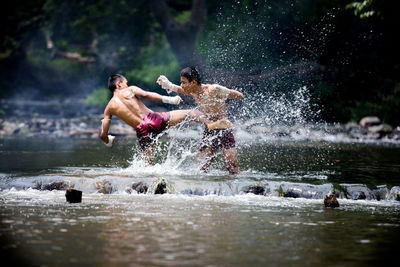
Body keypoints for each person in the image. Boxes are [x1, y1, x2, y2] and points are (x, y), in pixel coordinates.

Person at [100, 74, 230, 163]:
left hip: (142, 131)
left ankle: (146, 187)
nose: (127, 85)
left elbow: (103, 135)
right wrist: (171, 99)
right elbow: (147, 95)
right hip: (154, 120)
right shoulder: (130, 90)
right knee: (192, 112)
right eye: (126, 83)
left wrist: (108, 140)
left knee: (147, 165)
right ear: (119, 84)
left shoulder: (109, 108)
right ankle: (209, 123)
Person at [156, 67, 243, 174]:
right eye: (181, 82)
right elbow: (178, 89)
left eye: (184, 82)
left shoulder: (212, 90)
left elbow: (240, 96)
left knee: (232, 168)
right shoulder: (193, 92)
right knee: (201, 168)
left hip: (224, 128)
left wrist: (225, 91)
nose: (182, 85)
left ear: (193, 82)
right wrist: (167, 84)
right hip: (210, 129)